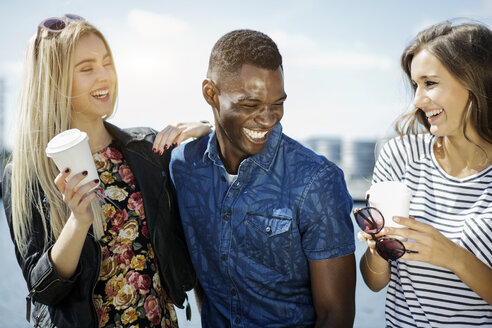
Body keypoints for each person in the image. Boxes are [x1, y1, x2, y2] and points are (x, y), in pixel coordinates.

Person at [1, 15, 212, 327]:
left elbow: (204, 216)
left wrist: (206, 132)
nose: (105, 76)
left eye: (107, 63)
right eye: (86, 68)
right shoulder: (25, 175)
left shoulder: (146, 148)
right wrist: (78, 222)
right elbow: (42, 289)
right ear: (55, 80)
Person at [155, 29, 356, 327]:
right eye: (250, 105)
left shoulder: (317, 181)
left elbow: (335, 314)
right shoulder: (182, 167)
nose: (268, 118)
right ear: (211, 93)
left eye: (277, 103)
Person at [358, 21, 492, 327]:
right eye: (415, 85)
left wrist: (455, 257)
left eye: (430, 83)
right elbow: (375, 282)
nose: (418, 100)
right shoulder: (399, 155)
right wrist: (378, 250)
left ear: (475, 81)